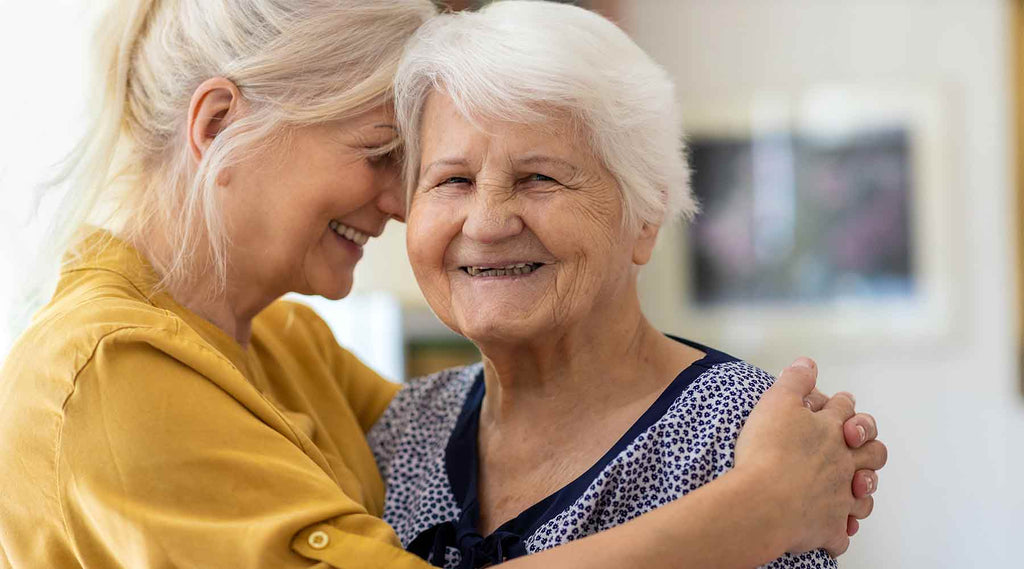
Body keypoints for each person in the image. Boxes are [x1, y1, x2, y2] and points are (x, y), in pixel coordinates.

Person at [0, 0, 883, 568]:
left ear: (647, 213)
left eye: (541, 177)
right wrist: (755, 508)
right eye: (422, 170)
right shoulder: (110, 373)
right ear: (221, 124)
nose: (399, 200)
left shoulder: (286, 347)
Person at [368, 2, 886, 568]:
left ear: (645, 216)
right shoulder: (406, 427)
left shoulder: (746, 437)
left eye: (539, 178)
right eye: (454, 180)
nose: (488, 223)